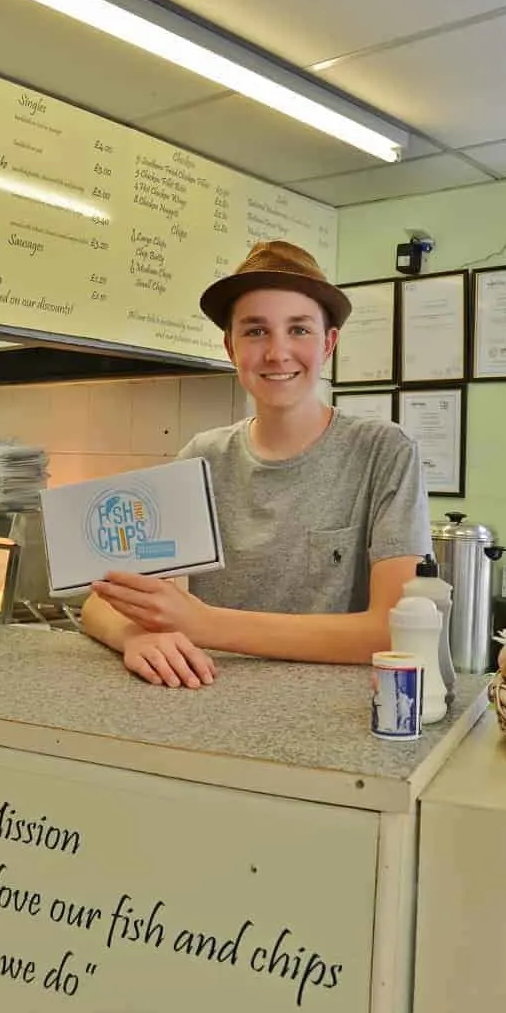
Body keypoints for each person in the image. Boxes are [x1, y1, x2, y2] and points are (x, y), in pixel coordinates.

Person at [81, 240, 432, 686]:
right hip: (206, 698)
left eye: (299, 330)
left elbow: (393, 629)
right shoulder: (200, 459)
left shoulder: (385, 451)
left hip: (333, 722)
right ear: (231, 347)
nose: (277, 352)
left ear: (329, 344)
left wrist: (203, 624)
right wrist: (134, 636)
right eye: (256, 331)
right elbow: (103, 599)